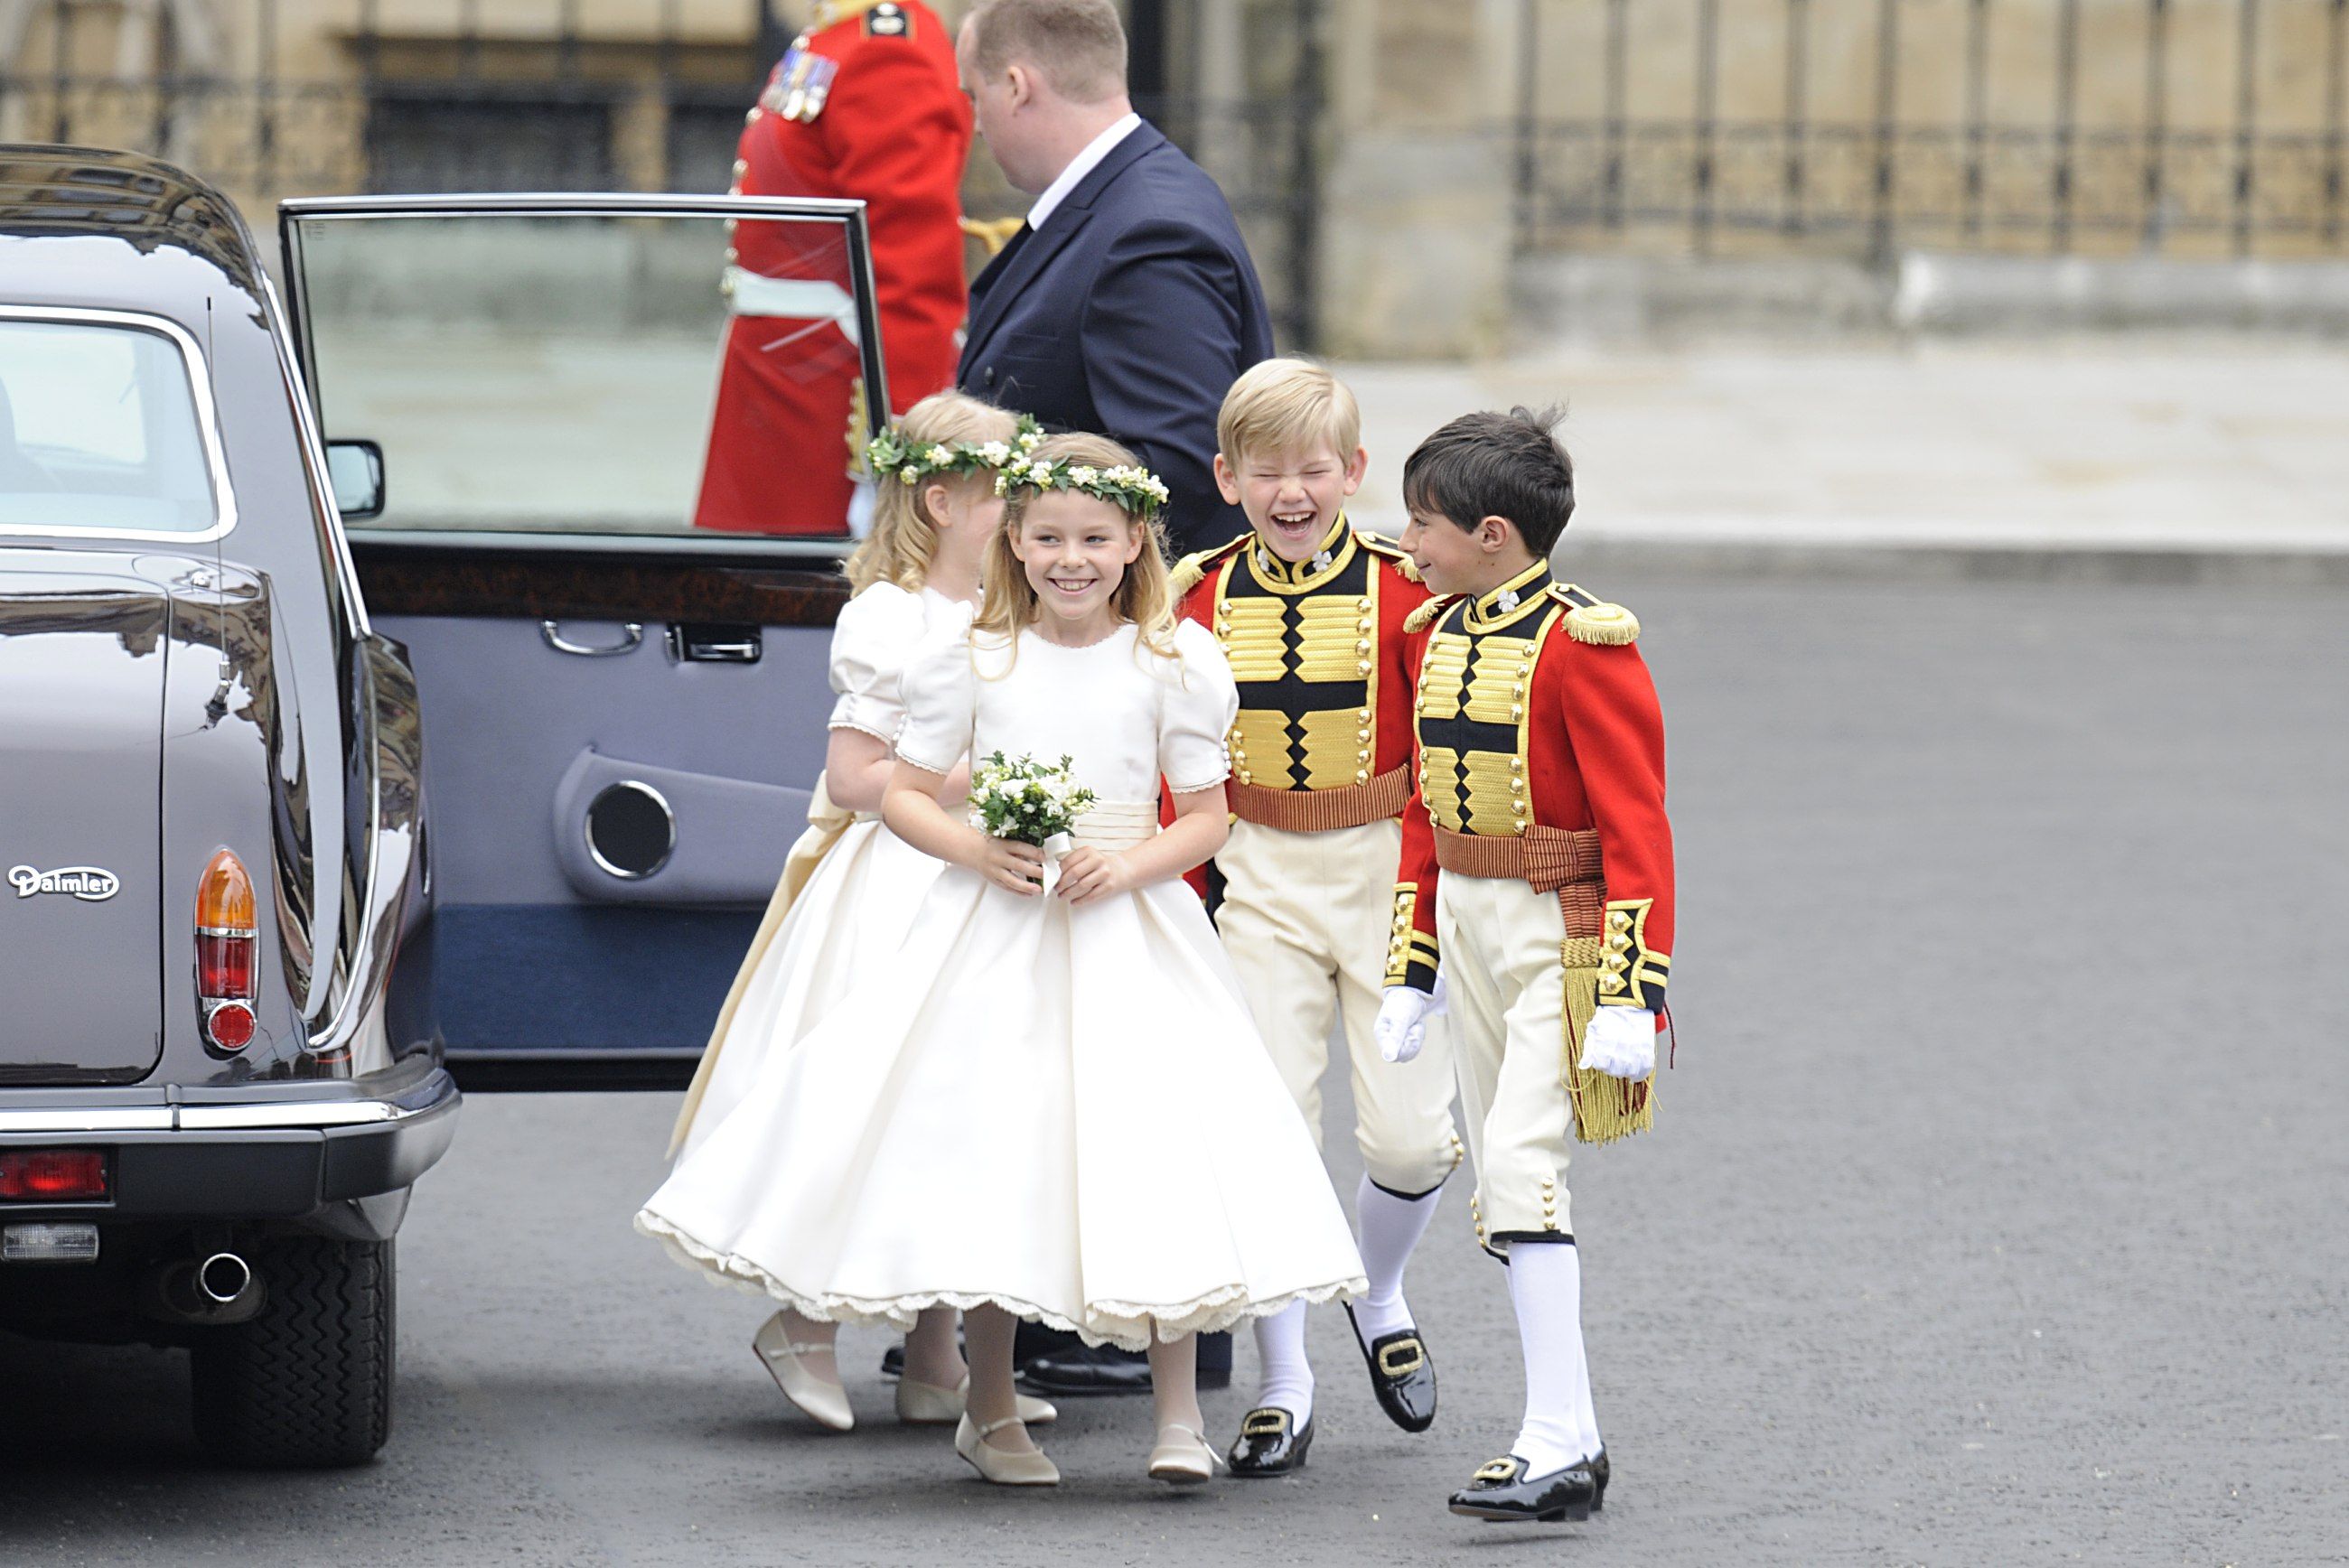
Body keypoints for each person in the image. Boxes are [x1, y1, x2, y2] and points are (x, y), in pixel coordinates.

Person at [637, 434, 1365, 1489]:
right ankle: (987, 1407)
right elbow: (899, 792)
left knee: (1153, 1145)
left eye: (1094, 538)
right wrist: (977, 847)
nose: (1071, 558)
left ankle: (1175, 1414)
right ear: (1012, 542)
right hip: (996, 929)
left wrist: (1127, 865)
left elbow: (1206, 818)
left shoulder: (1174, 659)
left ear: (1132, 544)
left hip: (1130, 927)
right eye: (1047, 537)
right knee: (994, 1149)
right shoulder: (972, 659)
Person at [660, 390, 1053, 1434]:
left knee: (967, 1102)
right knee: (877, 1095)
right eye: (1002, 492)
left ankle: (935, 1354)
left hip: (981, 875)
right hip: (904, 879)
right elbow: (854, 772)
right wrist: (985, 773)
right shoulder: (891, 614)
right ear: (937, 499)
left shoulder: (1009, 613)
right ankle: (804, 1317)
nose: (1021, 511)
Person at [1377, 408, 1674, 1526]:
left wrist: (1632, 995)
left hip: (1562, 926)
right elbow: (1422, 804)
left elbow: (1636, 826)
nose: (1406, 540)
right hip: (1465, 915)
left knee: (1516, 1163)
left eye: (1423, 522)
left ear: (1491, 532)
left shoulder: (1583, 643)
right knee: (1505, 1187)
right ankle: (1573, 1436)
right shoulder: (1432, 632)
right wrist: (1412, 965)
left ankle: (1553, 1435)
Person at [1166, 360, 1461, 1476]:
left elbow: (1445, 748)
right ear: (1224, 476)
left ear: (1354, 472)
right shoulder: (1193, 593)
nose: (1291, 493)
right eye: (1265, 471)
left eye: (1313, 469)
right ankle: (1283, 1376)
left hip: (1384, 873)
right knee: (1268, 1133)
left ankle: (1376, 1291)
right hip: (1254, 880)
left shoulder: (1404, 592)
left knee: (1411, 1135)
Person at [953, 0, 1274, 557]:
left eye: (974, 97)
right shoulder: (1117, 198)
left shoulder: (1150, 229)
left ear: (1015, 86)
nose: (976, 124)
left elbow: (1178, 475)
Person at [695, 0, 973, 536]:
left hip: (825, 388)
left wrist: (898, 444)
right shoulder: (838, 33)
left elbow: (913, 273)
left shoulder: (886, 50)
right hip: (784, 371)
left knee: (802, 588)